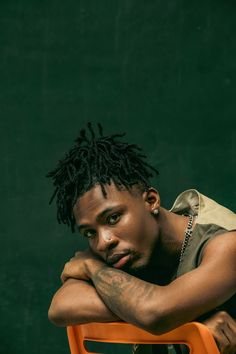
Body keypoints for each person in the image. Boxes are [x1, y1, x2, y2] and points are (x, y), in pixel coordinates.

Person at [47, 123, 236, 354]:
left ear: (151, 200)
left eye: (113, 217)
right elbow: (60, 306)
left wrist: (91, 267)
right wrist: (185, 317)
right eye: (89, 233)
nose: (103, 241)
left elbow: (154, 312)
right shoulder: (129, 253)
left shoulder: (226, 243)